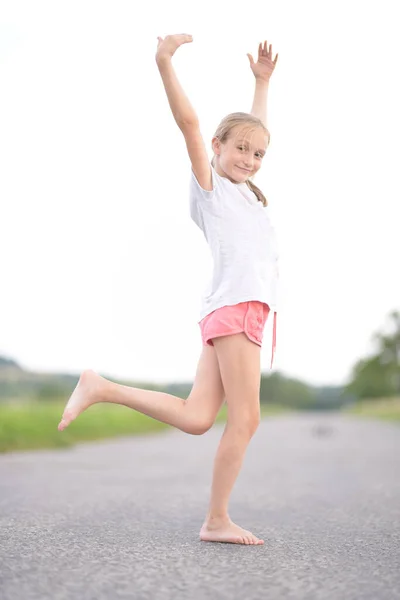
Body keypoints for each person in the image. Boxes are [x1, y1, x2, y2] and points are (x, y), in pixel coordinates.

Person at [58, 34, 280, 546]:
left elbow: (254, 133)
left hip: (229, 313)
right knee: (245, 420)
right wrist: (164, 62)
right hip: (236, 311)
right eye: (239, 149)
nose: (249, 158)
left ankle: (101, 387)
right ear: (217, 150)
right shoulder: (212, 189)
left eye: (258, 154)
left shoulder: (245, 194)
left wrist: (262, 83)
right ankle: (216, 520)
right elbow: (192, 125)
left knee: (199, 417)